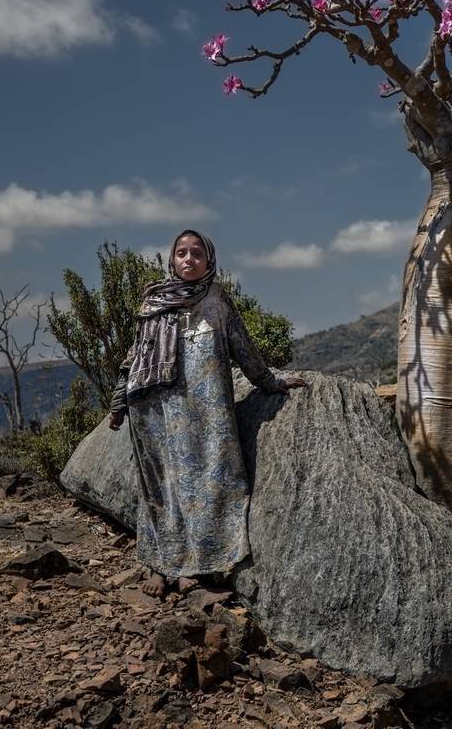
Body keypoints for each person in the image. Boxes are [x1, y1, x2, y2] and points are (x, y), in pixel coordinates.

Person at [107, 230, 305, 596]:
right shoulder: (154, 300)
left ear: (209, 260)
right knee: (161, 489)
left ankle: (194, 568)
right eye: (181, 252)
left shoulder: (217, 300)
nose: (188, 259)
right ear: (172, 258)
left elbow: (242, 345)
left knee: (207, 484)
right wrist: (119, 401)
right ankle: (159, 566)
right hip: (154, 410)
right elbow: (134, 356)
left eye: (196, 253)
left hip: (206, 413)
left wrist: (270, 382)